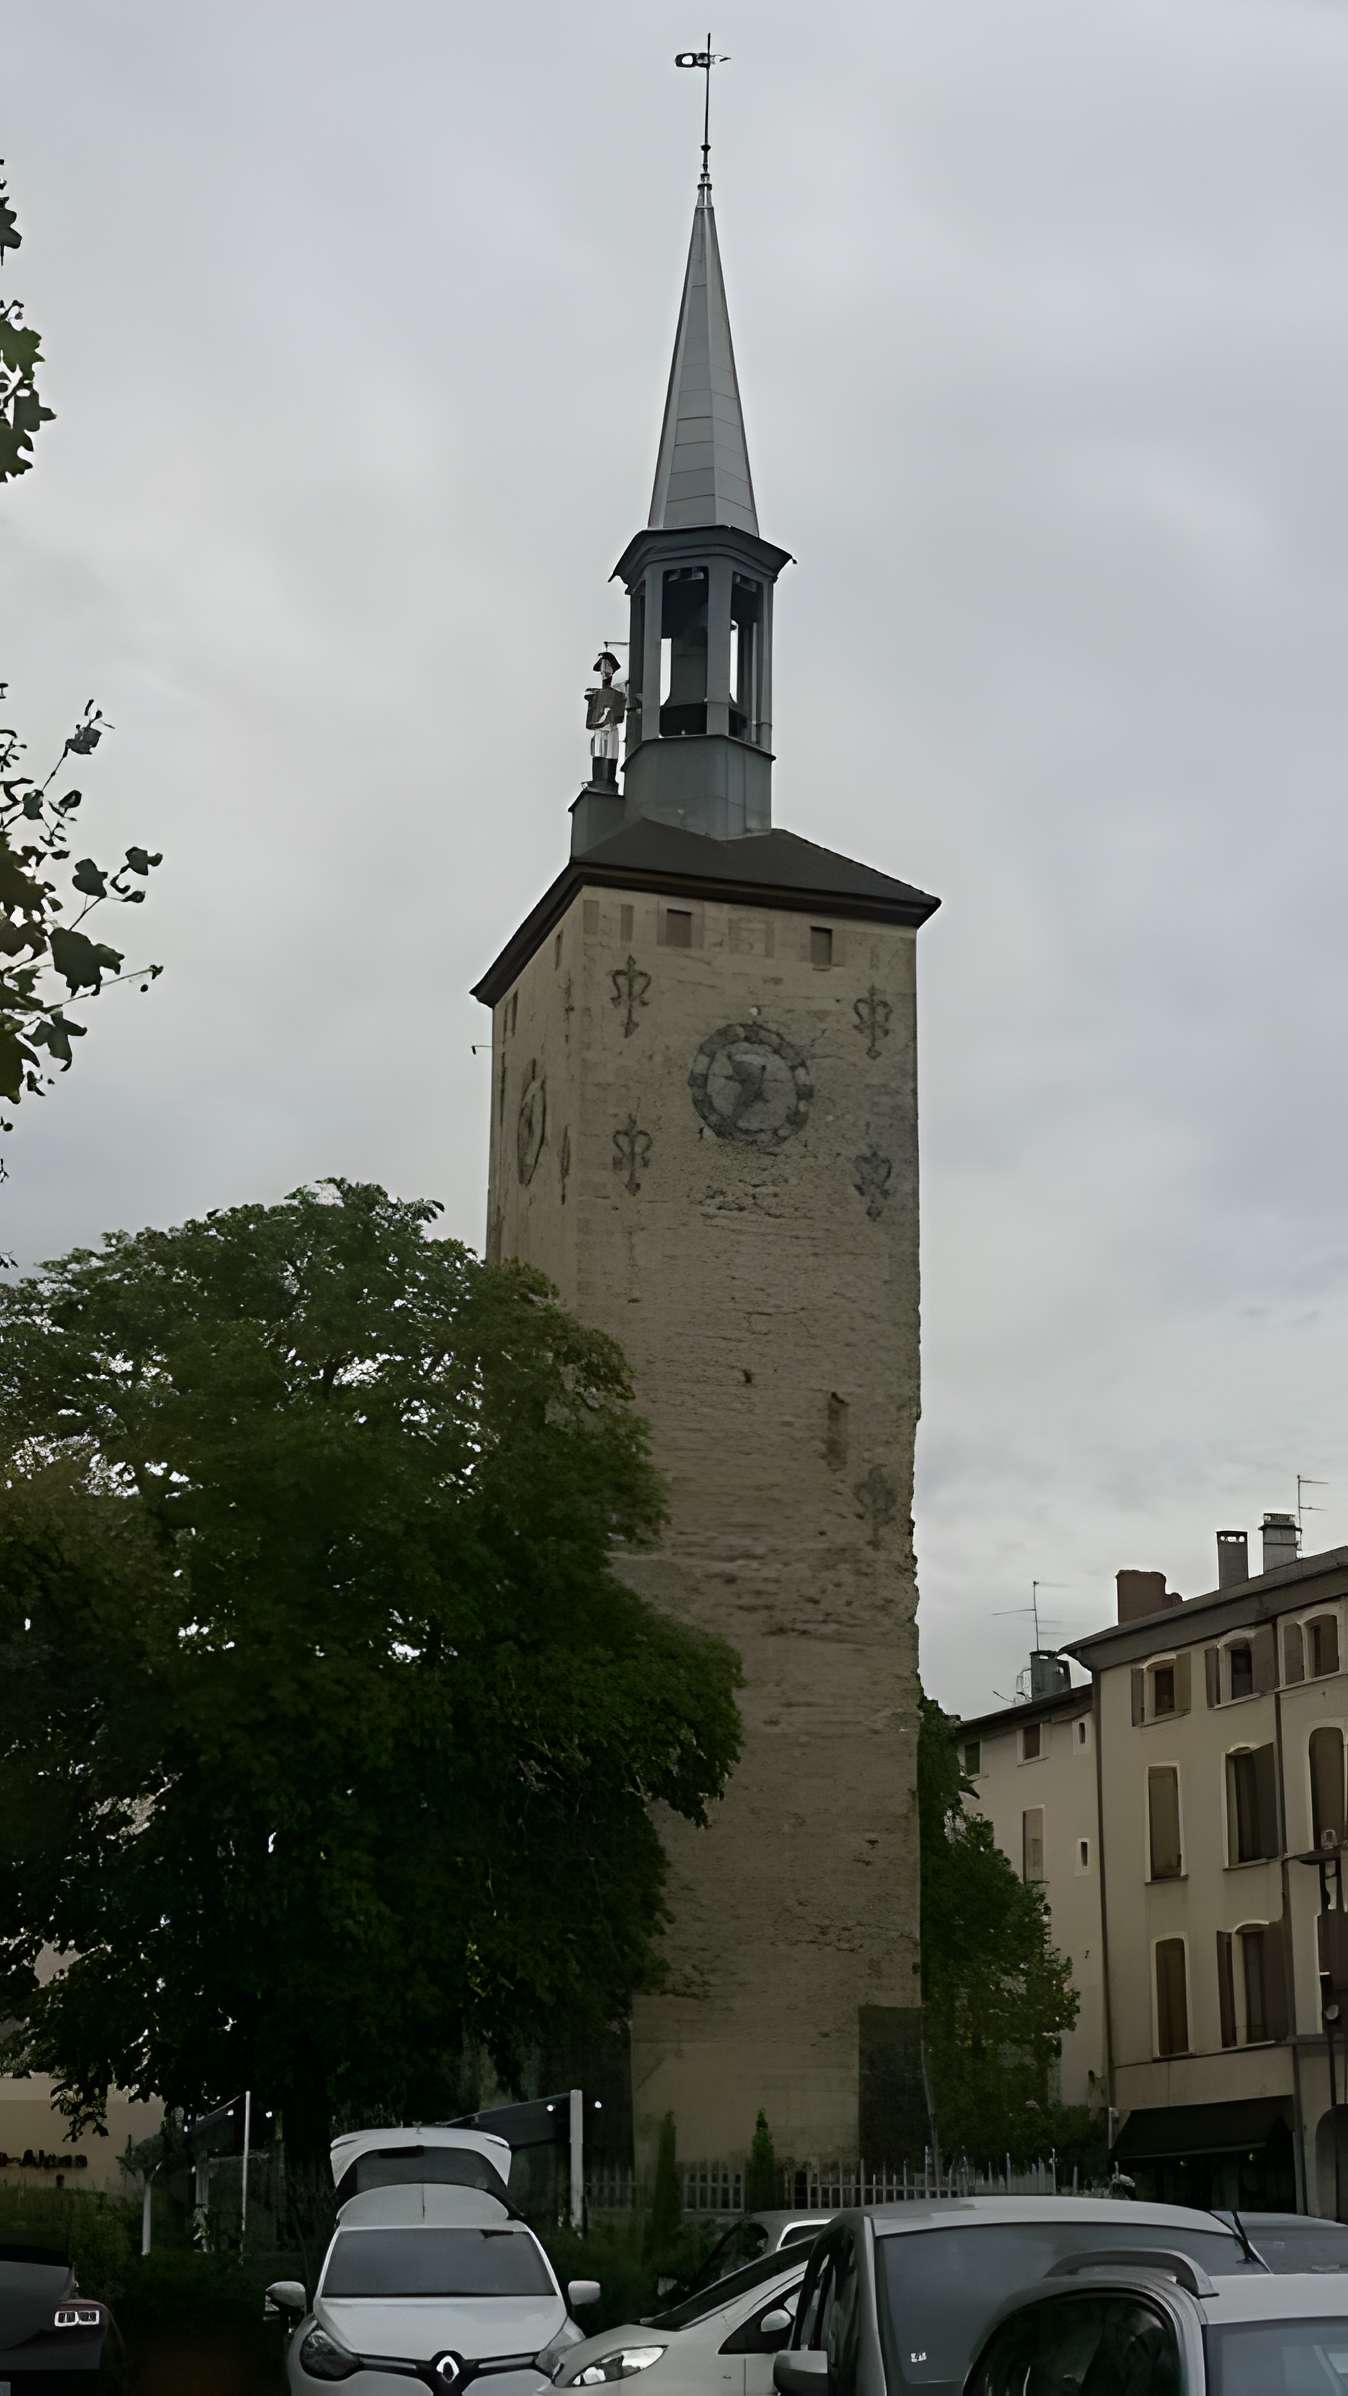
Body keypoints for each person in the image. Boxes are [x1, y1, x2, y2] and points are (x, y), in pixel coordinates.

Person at [584, 651, 626, 785]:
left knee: (610, 756)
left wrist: (608, 715)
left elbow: (619, 717)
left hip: (611, 730)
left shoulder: (618, 695)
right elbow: (590, 723)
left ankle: (608, 782)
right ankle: (598, 781)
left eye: (607, 669)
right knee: (598, 754)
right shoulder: (595, 695)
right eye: (603, 670)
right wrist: (602, 717)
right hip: (600, 731)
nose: (604, 673)